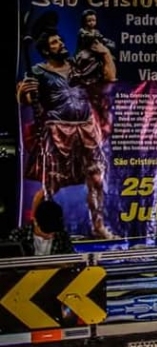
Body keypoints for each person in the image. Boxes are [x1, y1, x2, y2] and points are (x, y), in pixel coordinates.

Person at [16, 13, 118, 240]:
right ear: (45, 49)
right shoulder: (39, 72)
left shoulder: (76, 66)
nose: (60, 43)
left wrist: (106, 54)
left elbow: (109, 77)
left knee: (96, 178)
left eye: (60, 40)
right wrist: (23, 93)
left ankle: (98, 226)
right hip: (57, 131)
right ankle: (40, 230)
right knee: (50, 184)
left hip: (86, 129)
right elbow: (25, 100)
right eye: (54, 42)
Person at [8, 198, 74, 256]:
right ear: (35, 222)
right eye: (47, 231)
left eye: (53, 231)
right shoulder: (19, 236)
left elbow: (71, 260)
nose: (51, 235)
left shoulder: (62, 236)